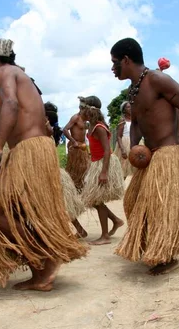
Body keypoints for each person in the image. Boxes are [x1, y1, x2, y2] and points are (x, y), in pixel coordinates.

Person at [0, 38, 88, 291]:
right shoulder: (19, 74)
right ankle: (44, 262)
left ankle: (44, 264)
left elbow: (11, 104)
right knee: (14, 209)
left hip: (29, 149)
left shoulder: (4, 72)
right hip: (33, 148)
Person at [110, 38, 179, 275]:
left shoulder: (158, 80)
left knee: (162, 205)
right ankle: (152, 245)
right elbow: (139, 121)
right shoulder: (134, 89)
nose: (112, 69)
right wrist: (134, 147)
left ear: (126, 60)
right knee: (132, 201)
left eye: (114, 63)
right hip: (150, 156)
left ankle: (166, 253)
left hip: (169, 155)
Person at [81, 98, 125, 245]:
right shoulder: (91, 125)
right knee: (93, 199)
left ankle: (105, 236)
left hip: (104, 163)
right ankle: (115, 220)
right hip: (97, 163)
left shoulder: (99, 127)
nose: (80, 112)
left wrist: (104, 172)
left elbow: (107, 150)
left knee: (97, 200)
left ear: (89, 110)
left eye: (82, 109)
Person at [46, 101, 87, 237]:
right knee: (59, 202)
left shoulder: (47, 131)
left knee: (59, 202)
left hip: (48, 171)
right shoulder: (54, 130)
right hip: (51, 170)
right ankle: (76, 230)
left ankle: (71, 231)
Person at [63, 97, 91, 190]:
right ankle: (73, 186)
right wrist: (74, 141)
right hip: (75, 146)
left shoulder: (85, 120)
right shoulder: (76, 117)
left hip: (82, 146)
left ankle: (80, 185)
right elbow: (65, 129)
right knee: (75, 167)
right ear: (82, 109)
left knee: (85, 167)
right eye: (86, 110)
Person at [113, 101, 133, 179]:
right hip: (125, 144)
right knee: (124, 168)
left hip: (135, 143)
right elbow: (118, 136)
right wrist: (122, 149)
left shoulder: (135, 119)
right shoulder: (122, 120)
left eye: (131, 106)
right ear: (124, 110)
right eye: (128, 107)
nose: (130, 108)